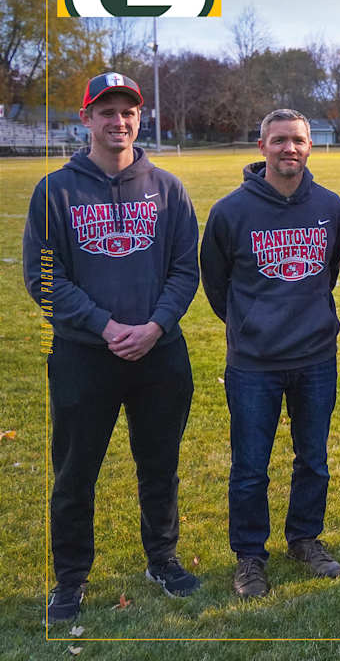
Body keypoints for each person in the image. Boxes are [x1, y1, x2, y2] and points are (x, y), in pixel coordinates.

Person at [24, 71, 201, 622]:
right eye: (106, 111)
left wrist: (155, 326)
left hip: (159, 352)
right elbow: (44, 275)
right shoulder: (55, 190)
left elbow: (184, 269)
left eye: (127, 111)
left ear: (139, 118)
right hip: (83, 355)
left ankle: (162, 559)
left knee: (160, 465)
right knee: (75, 472)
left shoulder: (168, 188)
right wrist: (103, 326)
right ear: (86, 119)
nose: (118, 121)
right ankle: (70, 578)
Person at [200, 109, 340, 598]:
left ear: (310, 146)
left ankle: (304, 538)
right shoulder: (230, 211)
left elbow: (330, 271)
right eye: (279, 140)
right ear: (261, 145)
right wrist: (250, 324)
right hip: (254, 364)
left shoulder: (329, 206)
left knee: (314, 459)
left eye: (298, 140)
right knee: (250, 467)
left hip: (315, 358)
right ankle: (249, 556)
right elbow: (216, 283)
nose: (290, 148)